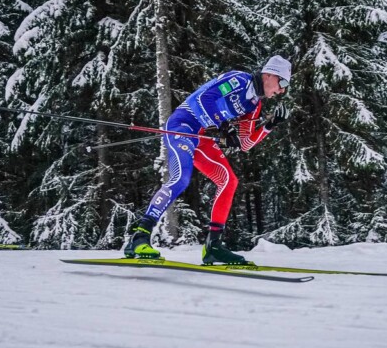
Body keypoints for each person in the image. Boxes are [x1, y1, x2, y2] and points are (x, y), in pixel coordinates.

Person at [124, 55, 292, 264]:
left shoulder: (254, 106)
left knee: (229, 181)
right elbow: (202, 100)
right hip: (183, 125)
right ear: (269, 74)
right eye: (282, 82)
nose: (282, 90)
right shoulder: (238, 81)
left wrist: (269, 125)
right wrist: (224, 126)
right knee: (181, 179)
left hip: (203, 137)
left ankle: (213, 246)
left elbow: (245, 143)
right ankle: (140, 236)